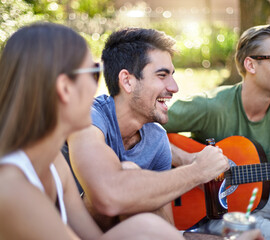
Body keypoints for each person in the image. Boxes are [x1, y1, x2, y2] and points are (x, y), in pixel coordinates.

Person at [0, 22, 186, 240]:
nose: (100, 91)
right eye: (95, 73)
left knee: (145, 228)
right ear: (64, 88)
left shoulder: (53, 165)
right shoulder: (11, 188)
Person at [163, 24, 270, 240]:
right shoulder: (210, 106)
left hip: (257, 198)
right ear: (250, 64)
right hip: (211, 208)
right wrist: (188, 160)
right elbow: (141, 124)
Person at [64, 27, 230, 232]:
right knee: (130, 173)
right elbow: (108, 195)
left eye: (172, 75)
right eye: (162, 75)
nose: (174, 87)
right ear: (127, 81)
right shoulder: (88, 118)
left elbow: (165, 228)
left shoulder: (157, 138)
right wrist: (197, 170)